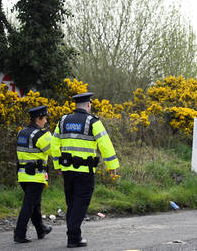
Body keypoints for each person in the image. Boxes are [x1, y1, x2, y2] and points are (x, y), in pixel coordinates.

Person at [51, 92, 119, 248]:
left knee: (72, 204)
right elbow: (105, 145)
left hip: (67, 170)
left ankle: (75, 235)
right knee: (80, 204)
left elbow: (54, 145)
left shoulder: (63, 120)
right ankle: (73, 238)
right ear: (88, 105)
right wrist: (112, 166)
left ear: (75, 105)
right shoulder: (93, 122)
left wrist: (57, 165)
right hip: (85, 172)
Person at [14, 105, 53, 243]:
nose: (46, 121)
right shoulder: (40, 135)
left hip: (22, 175)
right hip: (36, 176)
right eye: (45, 118)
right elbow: (53, 151)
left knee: (35, 204)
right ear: (38, 118)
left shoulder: (21, 132)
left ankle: (41, 229)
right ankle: (19, 234)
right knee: (29, 205)